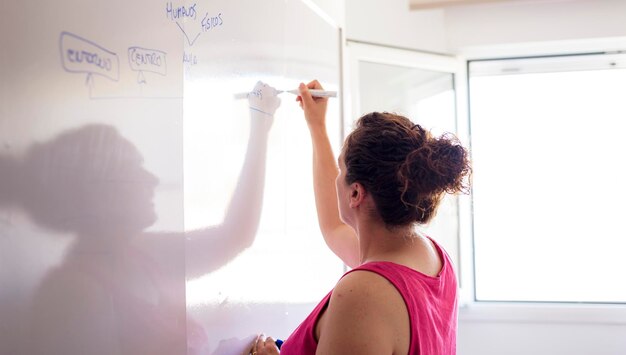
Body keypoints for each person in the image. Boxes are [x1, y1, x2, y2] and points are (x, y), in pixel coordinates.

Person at [251, 80, 471, 355]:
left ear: (355, 193)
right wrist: (317, 126)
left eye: (341, 170)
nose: (336, 180)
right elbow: (333, 227)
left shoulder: (365, 294)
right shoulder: (431, 257)